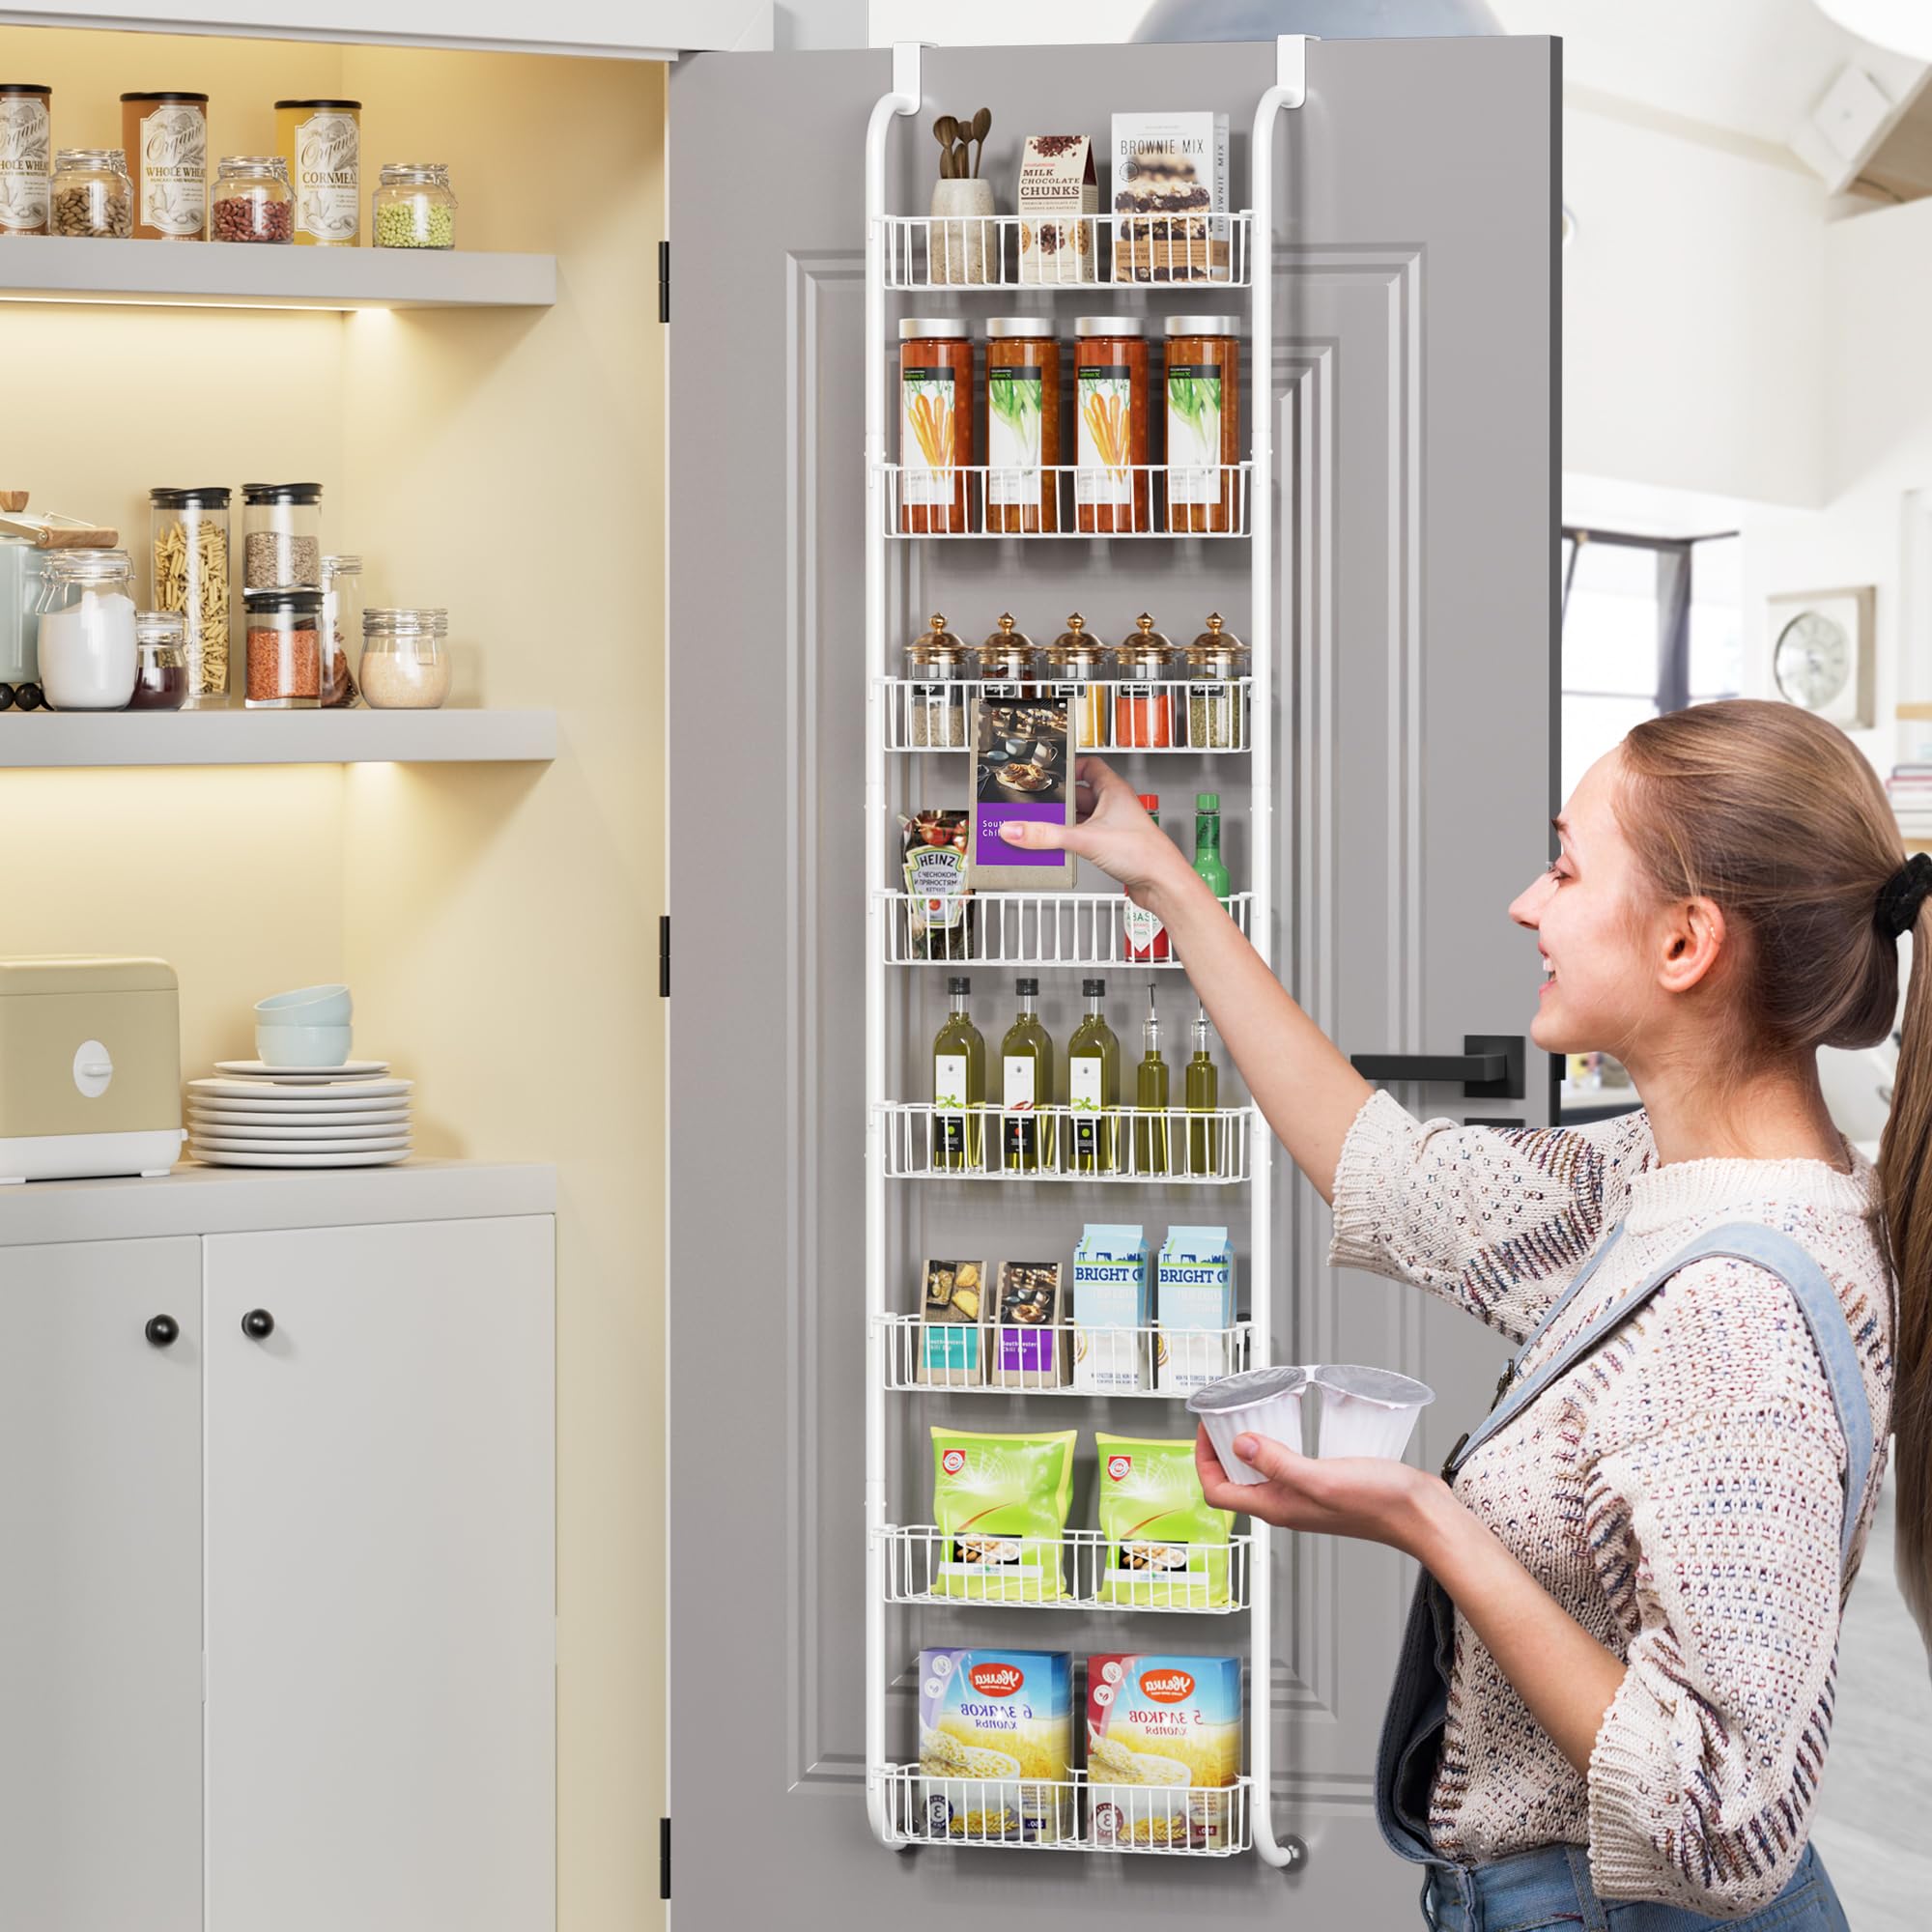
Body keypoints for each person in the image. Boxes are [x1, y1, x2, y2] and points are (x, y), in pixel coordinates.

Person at [998, 699, 1928, 1929]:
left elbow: (1718, 1822)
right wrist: (1163, 878)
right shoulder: (1653, 1183)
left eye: (1563, 865)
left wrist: (1428, 1520)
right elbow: (1382, 1165)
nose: (1525, 903)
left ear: (1684, 943)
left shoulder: (1739, 1311)